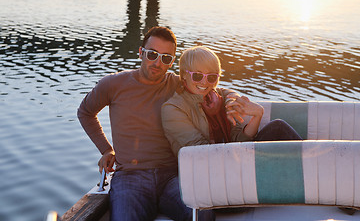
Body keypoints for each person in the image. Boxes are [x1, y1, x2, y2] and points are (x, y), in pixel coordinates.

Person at [78, 27, 247, 221]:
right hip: (131, 177)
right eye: (152, 54)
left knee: (202, 215)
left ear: (172, 62)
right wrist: (107, 150)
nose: (157, 62)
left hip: (173, 176)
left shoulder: (178, 83)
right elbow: (85, 112)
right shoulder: (113, 84)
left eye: (166, 58)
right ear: (141, 52)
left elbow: (216, 88)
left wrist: (233, 100)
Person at [161, 46, 302, 157]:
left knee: (278, 127)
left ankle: (312, 169)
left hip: (234, 158)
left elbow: (240, 140)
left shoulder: (220, 97)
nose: (204, 82)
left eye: (211, 77)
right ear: (184, 74)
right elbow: (201, 151)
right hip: (207, 169)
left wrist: (257, 115)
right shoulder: (173, 109)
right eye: (197, 75)